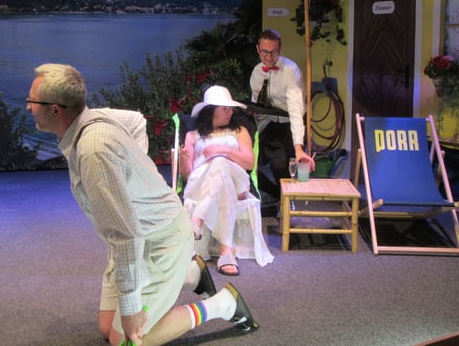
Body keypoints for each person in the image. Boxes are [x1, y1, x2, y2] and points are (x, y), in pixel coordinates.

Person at [27, 63, 258, 346]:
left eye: (32, 101)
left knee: (126, 340)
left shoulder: (93, 150)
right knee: (107, 328)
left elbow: (126, 234)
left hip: (161, 241)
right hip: (142, 235)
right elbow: (137, 121)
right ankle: (191, 274)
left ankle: (223, 304)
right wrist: (135, 181)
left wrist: (131, 307)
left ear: (55, 110)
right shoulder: (91, 118)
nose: (28, 107)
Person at [178, 86, 274, 277]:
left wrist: (223, 151)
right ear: (210, 110)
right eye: (225, 108)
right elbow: (188, 174)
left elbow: (249, 162)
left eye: (231, 109)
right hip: (202, 183)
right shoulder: (192, 136)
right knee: (221, 177)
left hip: (236, 180)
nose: (230, 112)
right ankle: (226, 252)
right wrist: (184, 159)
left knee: (220, 162)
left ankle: (196, 220)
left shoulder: (239, 131)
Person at [250, 29, 315, 201]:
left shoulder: (291, 70)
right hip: (268, 122)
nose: (269, 57)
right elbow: (257, 104)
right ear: (258, 49)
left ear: (280, 49)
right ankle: (279, 196)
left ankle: (294, 202)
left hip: (290, 123)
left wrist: (298, 148)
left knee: (285, 167)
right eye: (265, 52)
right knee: (248, 164)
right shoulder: (257, 72)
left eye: (274, 52)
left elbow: (295, 111)